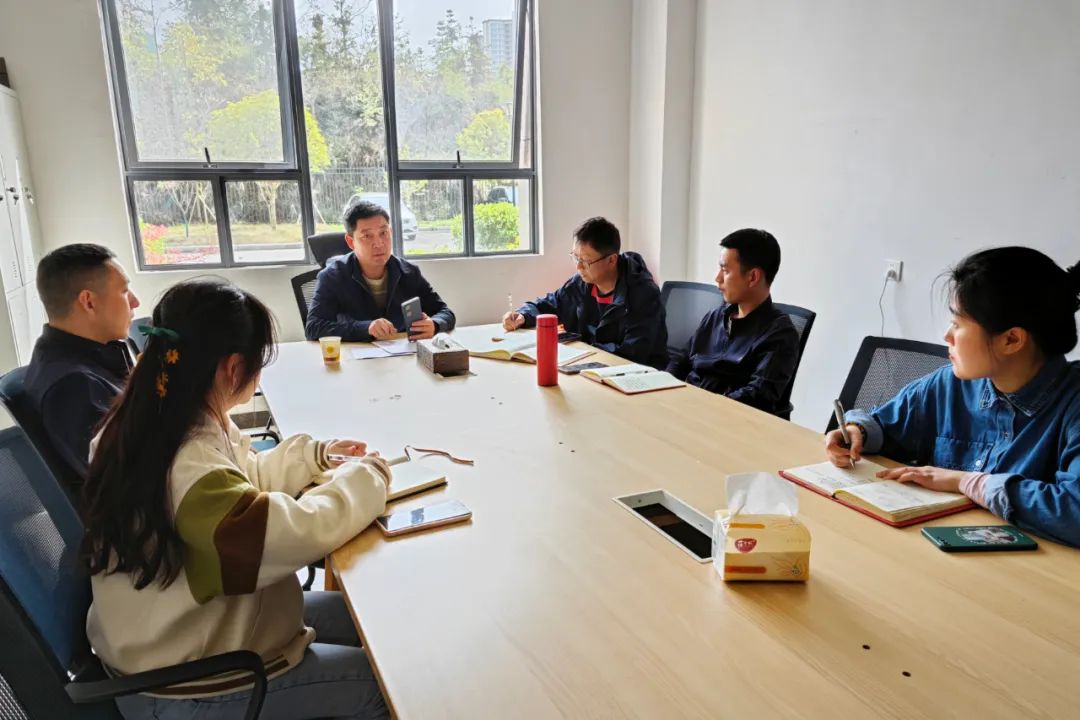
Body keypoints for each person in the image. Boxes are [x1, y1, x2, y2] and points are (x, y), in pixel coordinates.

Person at [83, 278, 390, 719]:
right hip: (188, 682)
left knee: (372, 619)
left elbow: (243, 482)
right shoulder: (188, 465)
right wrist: (368, 479)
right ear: (232, 368)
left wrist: (314, 457)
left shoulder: (162, 417)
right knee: (386, 686)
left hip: (177, 633)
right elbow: (288, 536)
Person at [825, 247, 1080, 547]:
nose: (947, 336)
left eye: (958, 324)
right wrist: (857, 432)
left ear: (1011, 339)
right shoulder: (950, 384)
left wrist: (966, 482)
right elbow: (884, 425)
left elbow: (1074, 511)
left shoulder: (1072, 404)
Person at [23, 243, 139, 494]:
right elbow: (130, 477)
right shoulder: (72, 387)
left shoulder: (75, 353)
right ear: (88, 302)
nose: (135, 302)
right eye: (124, 291)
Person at [502, 217, 668, 368]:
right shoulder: (582, 283)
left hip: (638, 376)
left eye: (586, 261)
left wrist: (583, 353)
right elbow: (552, 303)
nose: (578, 267)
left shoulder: (644, 295)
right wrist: (523, 315)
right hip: (592, 367)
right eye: (576, 257)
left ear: (612, 260)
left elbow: (632, 354)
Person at [666, 229, 799, 416]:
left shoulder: (779, 334)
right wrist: (663, 385)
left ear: (753, 277)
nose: (717, 278)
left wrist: (699, 406)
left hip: (724, 420)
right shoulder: (716, 316)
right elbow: (681, 360)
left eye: (725, 270)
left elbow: (757, 396)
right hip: (688, 408)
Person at [305, 200, 455, 342]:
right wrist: (366, 328)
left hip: (402, 352)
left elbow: (445, 312)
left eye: (383, 233)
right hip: (356, 355)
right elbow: (313, 327)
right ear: (351, 242)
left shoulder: (409, 272)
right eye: (367, 236)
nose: (378, 243)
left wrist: (434, 324)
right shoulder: (333, 277)